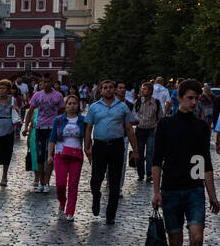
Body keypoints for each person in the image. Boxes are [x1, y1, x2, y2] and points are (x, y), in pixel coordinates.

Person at [152, 78, 220, 246]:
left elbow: (204, 162)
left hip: (193, 190)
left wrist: (212, 194)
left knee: (197, 239)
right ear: (179, 98)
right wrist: (156, 191)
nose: (194, 102)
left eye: (196, 98)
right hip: (171, 190)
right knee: (175, 245)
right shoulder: (166, 125)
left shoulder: (201, 127)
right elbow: (156, 160)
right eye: (189, 98)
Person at [84, 78, 138, 226]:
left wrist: (135, 150)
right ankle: (96, 196)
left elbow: (129, 129)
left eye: (110, 87)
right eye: (105, 87)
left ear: (114, 89)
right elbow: (88, 127)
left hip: (116, 145)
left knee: (115, 180)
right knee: (96, 178)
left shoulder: (122, 107)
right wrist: (87, 146)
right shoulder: (94, 107)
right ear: (100, 90)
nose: (108, 90)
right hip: (99, 146)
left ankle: (110, 214)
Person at [21, 75, 64, 192]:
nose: (46, 84)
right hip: (40, 128)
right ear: (41, 83)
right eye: (44, 82)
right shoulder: (37, 95)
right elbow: (30, 112)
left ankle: (47, 182)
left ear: (52, 83)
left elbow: (61, 113)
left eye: (49, 82)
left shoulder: (58, 96)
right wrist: (26, 128)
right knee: (40, 156)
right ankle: (40, 182)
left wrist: (61, 128)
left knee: (49, 156)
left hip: (52, 129)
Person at [48, 93, 88, 220]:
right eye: (69, 103)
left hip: (76, 155)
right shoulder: (58, 120)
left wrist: (89, 152)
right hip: (60, 155)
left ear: (78, 105)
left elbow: (87, 139)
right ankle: (61, 201)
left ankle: (70, 211)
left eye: (74, 103)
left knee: (73, 184)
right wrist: (50, 154)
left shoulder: (83, 120)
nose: (72, 106)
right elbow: (52, 138)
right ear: (65, 106)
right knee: (60, 184)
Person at [134, 81, 162, 183]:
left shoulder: (156, 103)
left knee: (150, 153)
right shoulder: (137, 102)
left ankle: (149, 174)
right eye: (142, 88)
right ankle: (140, 174)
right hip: (140, 130)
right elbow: (132, 115)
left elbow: (160, 118)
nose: (142, 90)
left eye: (145, 89)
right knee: (139, 154)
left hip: (151, 131)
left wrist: (158, 130)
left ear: (150, 91)